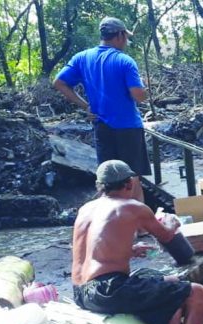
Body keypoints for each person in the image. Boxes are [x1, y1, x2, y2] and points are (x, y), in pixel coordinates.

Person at [72, 160, 203, 324]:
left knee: (168, 282)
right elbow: (166, 235)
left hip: (81, 291)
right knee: (197, 294)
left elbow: (90, 250)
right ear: (128, 183)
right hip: (109, 291)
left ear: (100, 186)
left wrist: (128, 249)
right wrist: (172, 223)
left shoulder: (86, 208)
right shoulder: (133, 207)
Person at [53, 17, 149, 203]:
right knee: (133, 177)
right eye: (126, 37)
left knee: (108, 180)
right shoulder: (125, 61)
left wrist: (85, 106)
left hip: (101, 125)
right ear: (120, 35)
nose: (127, 42)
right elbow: (138, 95)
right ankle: (139, 226)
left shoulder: (82, 58)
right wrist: (145, 91)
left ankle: (112, 222)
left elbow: (59, 83)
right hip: (128, 126)